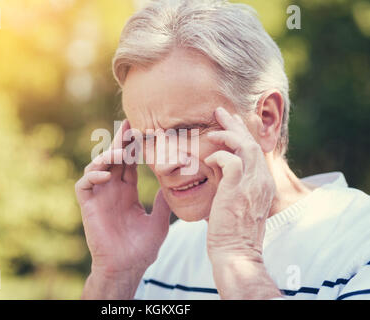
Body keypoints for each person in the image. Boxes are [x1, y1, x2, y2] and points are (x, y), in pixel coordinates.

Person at [75, 0, 370, 299]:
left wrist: (239, 262)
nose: (163, 165)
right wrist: (115, 277)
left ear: (267, 119)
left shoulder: (360, 245)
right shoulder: (161, 254)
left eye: (184, 131)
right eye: (146, 138)